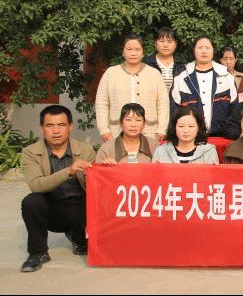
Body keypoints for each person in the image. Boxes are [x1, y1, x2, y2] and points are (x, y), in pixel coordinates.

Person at [20, 105, 96, 272]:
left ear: (71, 126)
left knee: (93, 201)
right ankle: (38, 252)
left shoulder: (85, 150)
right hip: (52, 211)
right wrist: (68, 171)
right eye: (50, 125)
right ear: (41, 128)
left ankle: (79, 239)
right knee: (31, 201)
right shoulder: (30, 152)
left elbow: (96, 185)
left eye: (61, 125)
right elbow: (36, 185)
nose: (56, 131)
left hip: (79, 210)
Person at [95, 33, 169, 142]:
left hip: (149, 131)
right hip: (116, 131)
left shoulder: (154, 74)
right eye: (129, 49)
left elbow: (163, 103)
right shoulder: (111, 73)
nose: (133, 53)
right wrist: (104, 130)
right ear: (123, 52)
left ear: (143, 52)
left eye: (137, 49)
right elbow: (102, 103)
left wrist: (162, 129)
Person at [170, 35, 238, 139]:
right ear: (194, 50)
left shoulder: (226, 76)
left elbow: (234, 109)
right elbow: (174, 108)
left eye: (207, 47)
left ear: (213, 50)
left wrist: (231, 133)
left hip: (221, 137)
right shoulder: (182, 77)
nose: (204, 51)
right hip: (190, 137)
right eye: (200, 47)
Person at [94, 103, 160, 164]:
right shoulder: (107, 149)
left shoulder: (154, 146)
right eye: (128, 120)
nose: (133, 125)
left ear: (144, 123)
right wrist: (106, 166)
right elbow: (97, 170)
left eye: (138, 120)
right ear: (121, 123)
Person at [152, 107, 219, 164]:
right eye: (181, 126)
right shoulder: (161, 151)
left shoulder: (209, 151)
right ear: (174, 127)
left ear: (199, 128)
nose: (186, 131)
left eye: (191, 126)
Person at [143, 27, 184, 93]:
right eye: (162, 41)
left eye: (170, 42)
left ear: (175, 44)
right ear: (155, 43)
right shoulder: (146, 64)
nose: (165, 45)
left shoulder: (182, 65)